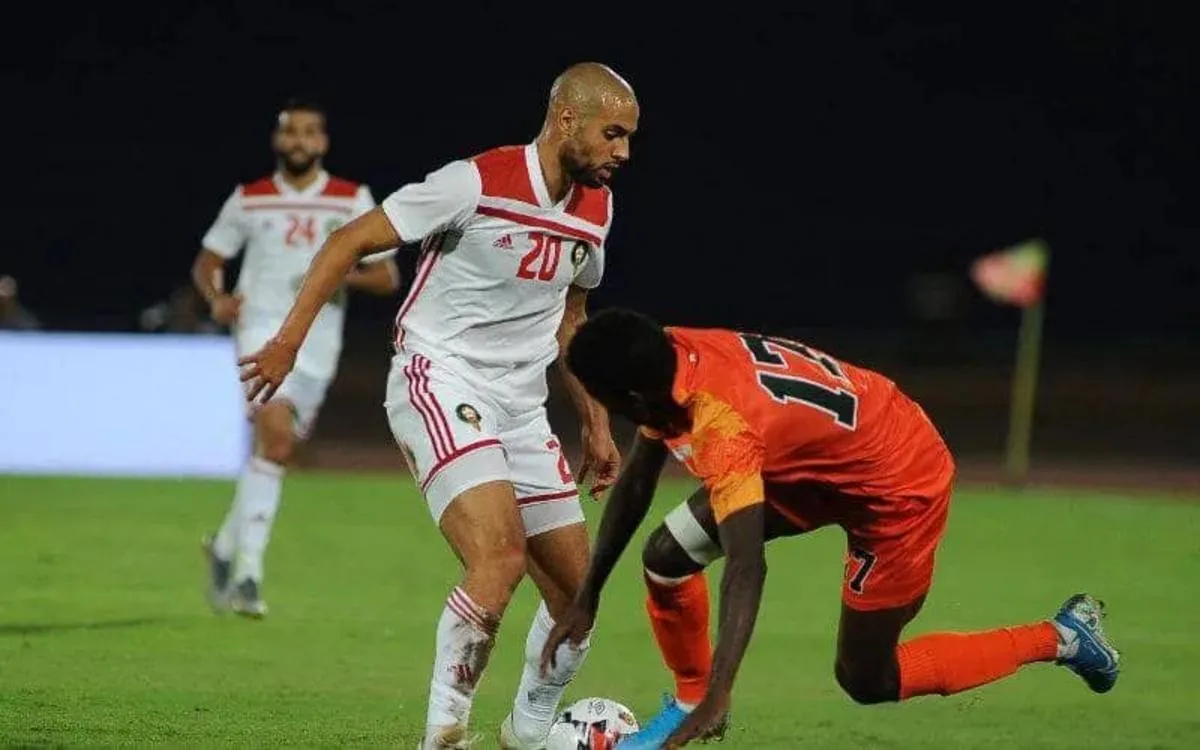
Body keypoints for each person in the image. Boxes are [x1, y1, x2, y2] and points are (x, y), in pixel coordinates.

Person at [236, 64, 638, 749]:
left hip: (521, 406)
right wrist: (287, 342)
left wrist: (596, 424)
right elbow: (348, 240)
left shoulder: (596, 207)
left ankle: (527, 733)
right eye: (613, 134)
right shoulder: (474, 182)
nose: (623, 152)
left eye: (629, 137)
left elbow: (571, 320)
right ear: (567, 119)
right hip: (439, 378)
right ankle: (441, 738)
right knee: (499, 558)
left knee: (579, 596)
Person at [542, 309, 1121, 749]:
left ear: (633, 399)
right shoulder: (667, 358)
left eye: (609, 404)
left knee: (866, 677)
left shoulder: (724, 426)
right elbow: (639, 480)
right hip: (812, 458)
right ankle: (688, 702)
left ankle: (1063, 636)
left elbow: (746, 566)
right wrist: (587, 595)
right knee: (667, 556)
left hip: (896, 482)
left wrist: (724, 690)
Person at [192, 98, 401, 618]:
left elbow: (386, 275)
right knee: (277, 438)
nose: (299, 141)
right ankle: (248, 575)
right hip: (259, 331)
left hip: (318, 343)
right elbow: (208, 262)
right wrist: (217, 298)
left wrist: (339, 274)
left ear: (322, 142)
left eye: (309, 132)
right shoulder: (250, 198)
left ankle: (224, 547)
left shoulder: (351, 199)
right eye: (291, 132)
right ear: (277, 140)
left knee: (276, 450)